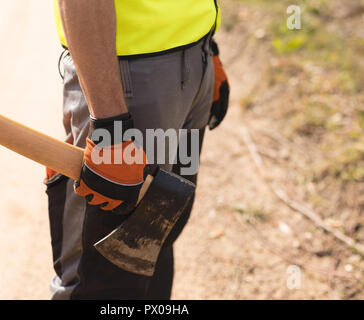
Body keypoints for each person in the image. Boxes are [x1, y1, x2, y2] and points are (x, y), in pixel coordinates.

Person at [45, 0, 230, 300]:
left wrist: (206, 44)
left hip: (194, 62)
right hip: (127, 81)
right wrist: (110, 128)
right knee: (99, 282)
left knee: (154, 240)